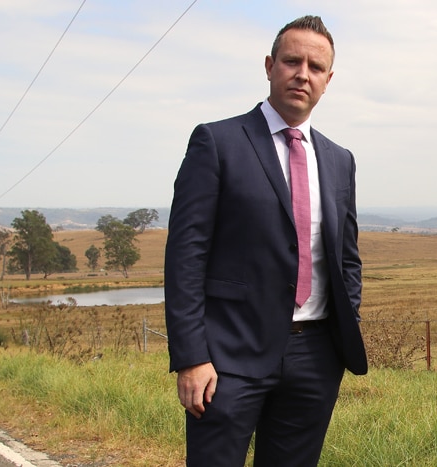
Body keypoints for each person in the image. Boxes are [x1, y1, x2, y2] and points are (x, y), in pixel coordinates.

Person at [164, 15, 368, 467]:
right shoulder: (217, 142)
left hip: (314, 359)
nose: (303, 74)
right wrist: (192, 357)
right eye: (292, 61)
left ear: (328, 80)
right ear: (269, 66)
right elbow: (185, 259)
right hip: (227, 358)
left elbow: (346, 258)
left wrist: (342, 323)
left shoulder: (339, 160)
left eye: (316, 67)